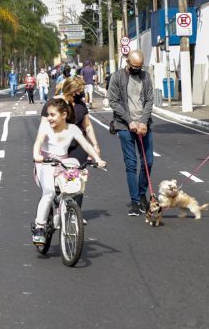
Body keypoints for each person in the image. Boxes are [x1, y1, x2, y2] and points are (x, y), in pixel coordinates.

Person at [31, 97, 106, 245]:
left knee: (73, 186)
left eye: (53, 115)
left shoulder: (73, 129)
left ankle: (68, 211)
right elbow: (38, 142)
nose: (49, 118)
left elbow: (86, 145)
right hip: (45, 163)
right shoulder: (45, 127)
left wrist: (97, 158)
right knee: (50, 192)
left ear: (64, 115)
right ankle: (39, 227)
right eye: (48, 115)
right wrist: (36, 155)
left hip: (62, 163)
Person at [41, 76, 102, 218]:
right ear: (68, 90)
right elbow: (44, 126)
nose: (77, 94)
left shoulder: (81, 105)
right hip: (57, 147)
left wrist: (95, 145)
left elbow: (87, 126)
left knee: (77, 180)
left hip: (77, 147)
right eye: (75, 92)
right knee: (56, 182)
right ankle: (53, 209)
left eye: (79, 92)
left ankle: (75, 213)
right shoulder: (54, 103)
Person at [106, 50, 154, 216]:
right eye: (134, 67)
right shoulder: (117, 77)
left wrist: (143, 121)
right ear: (127, 62)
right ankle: (135, 201)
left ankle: (142, 194)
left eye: (140, 67)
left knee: (148, 161)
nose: (137, 70)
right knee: (131, 164)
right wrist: (130, 121)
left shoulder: (146, 77)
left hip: (144, 125)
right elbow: (113, 102)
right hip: (125, 126)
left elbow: (149, 100)